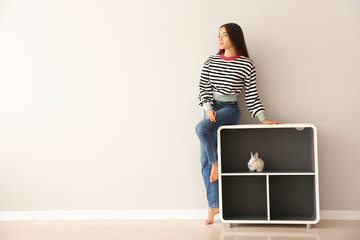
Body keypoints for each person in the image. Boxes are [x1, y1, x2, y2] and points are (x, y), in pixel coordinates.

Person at [195, 23, 283, 225]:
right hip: (210, 109)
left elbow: (252, 95)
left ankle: (215, 163)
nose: (220, 38)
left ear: (234, 37)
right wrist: (208, 107)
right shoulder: (210, 61)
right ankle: (214, 205)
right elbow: (203, 87)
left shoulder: (246, 64)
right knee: (203, 160)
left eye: (224, 35)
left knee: (201, 129)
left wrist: (263, 118)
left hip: (229, 109)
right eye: (219, 35)